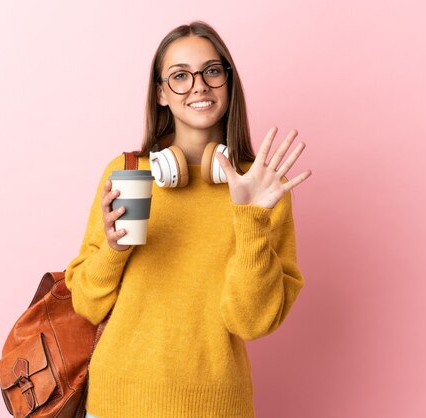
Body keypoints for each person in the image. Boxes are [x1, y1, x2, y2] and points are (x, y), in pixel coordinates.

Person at [65, 21, 312, 418]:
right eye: (180, 76)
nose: (198, 85)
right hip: (115, 403)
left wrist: (249, 219)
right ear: (161, 93)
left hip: (216, 406)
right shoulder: (128, 173)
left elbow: (251, 322)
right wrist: (113, 251)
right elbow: (86, 303)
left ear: (228, 83)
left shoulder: (262, 187)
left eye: (212, 71)